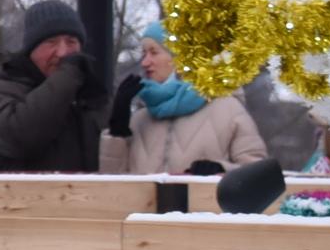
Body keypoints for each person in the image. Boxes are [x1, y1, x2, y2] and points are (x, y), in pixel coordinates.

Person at [100, 21, 268, 175]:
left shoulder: (228, 109)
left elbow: (257, 174)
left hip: (203, 207)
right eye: (144, 53)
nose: (145, 62)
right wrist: (117, 130)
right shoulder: (141, 116)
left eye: (154, 52)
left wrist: (221, 169)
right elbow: (111, 185)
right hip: (140, 208)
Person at [0, 0, 110, 172]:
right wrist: (67, 75)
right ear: (31, 50)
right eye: (51, 42)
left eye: (71, 42)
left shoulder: (90, 101)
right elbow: (22, 138)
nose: (62, 53)